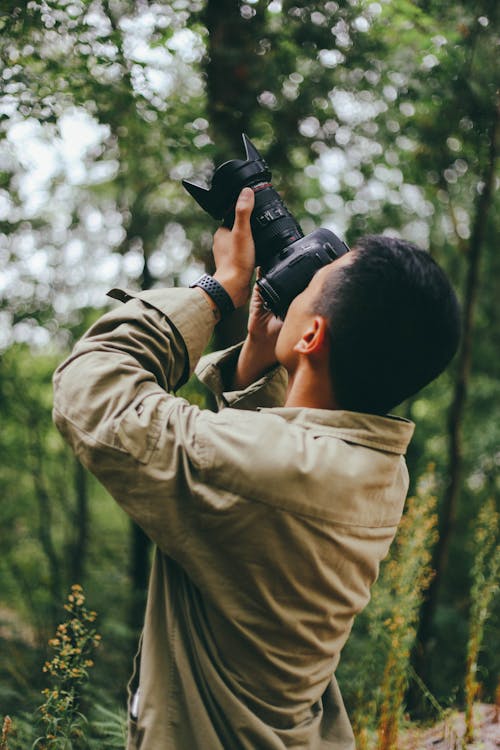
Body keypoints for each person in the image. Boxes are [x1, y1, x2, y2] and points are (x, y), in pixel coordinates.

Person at [53, 187, 461, 749]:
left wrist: (215, 290)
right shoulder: (377, 471)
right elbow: (259, 476)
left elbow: (91, 393)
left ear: (313, 334)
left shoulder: (267, 471)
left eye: (309, 287)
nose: (296, 288)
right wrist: (256, 362)